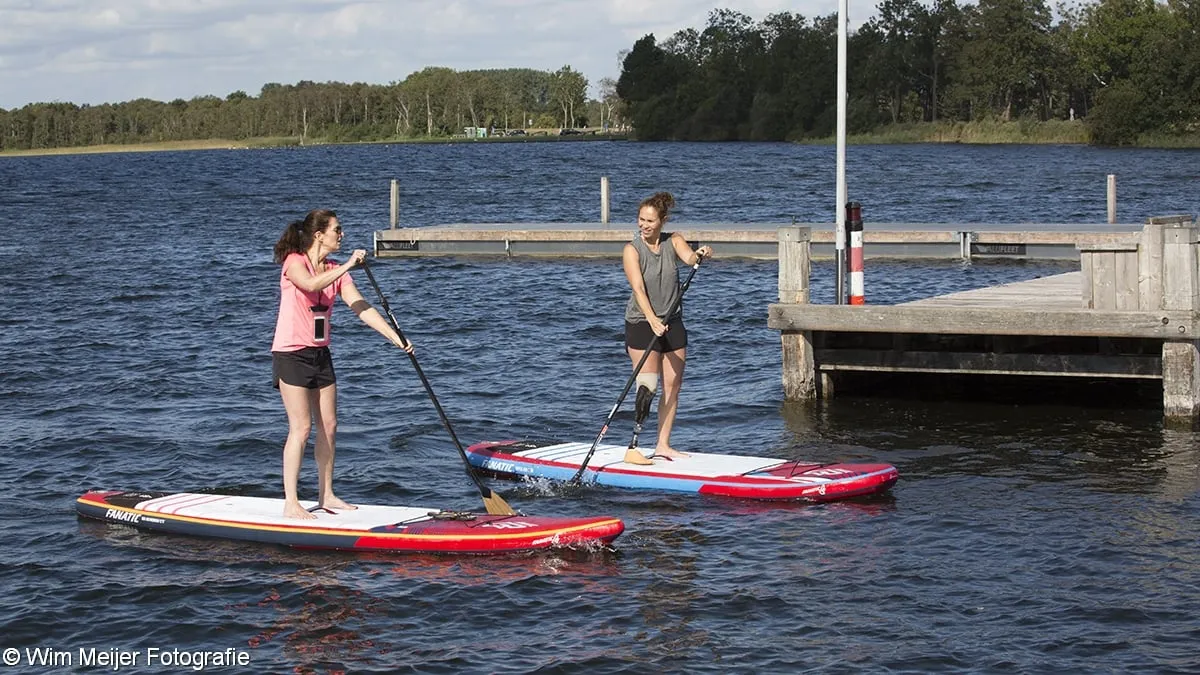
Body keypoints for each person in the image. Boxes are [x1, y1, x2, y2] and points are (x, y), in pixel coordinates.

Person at [271, 209, 412, 519]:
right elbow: (310, 285)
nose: (342, 234)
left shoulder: (336, 271)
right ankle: (291, 502)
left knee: (330, 425)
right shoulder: (294, 263)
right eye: (337, 229)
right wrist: (349, 263)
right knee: (301, 428)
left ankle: (327, 494)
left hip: (320, 354)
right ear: (319, 235)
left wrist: (395, 337)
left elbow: (360, 306)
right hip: (291, 353)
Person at [621, 192, 713, 466]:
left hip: (672, 322)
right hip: (642, 322)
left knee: (673, 386)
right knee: (648, 385)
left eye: (650, 221)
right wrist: (651, 319)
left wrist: (700, 253)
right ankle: (634, 445)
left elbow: (689, 258)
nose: (644, 225)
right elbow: (638, 289)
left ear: (662, 221)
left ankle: (663, 445)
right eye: (641, 219)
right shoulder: (632, 250)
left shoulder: (674, 240)